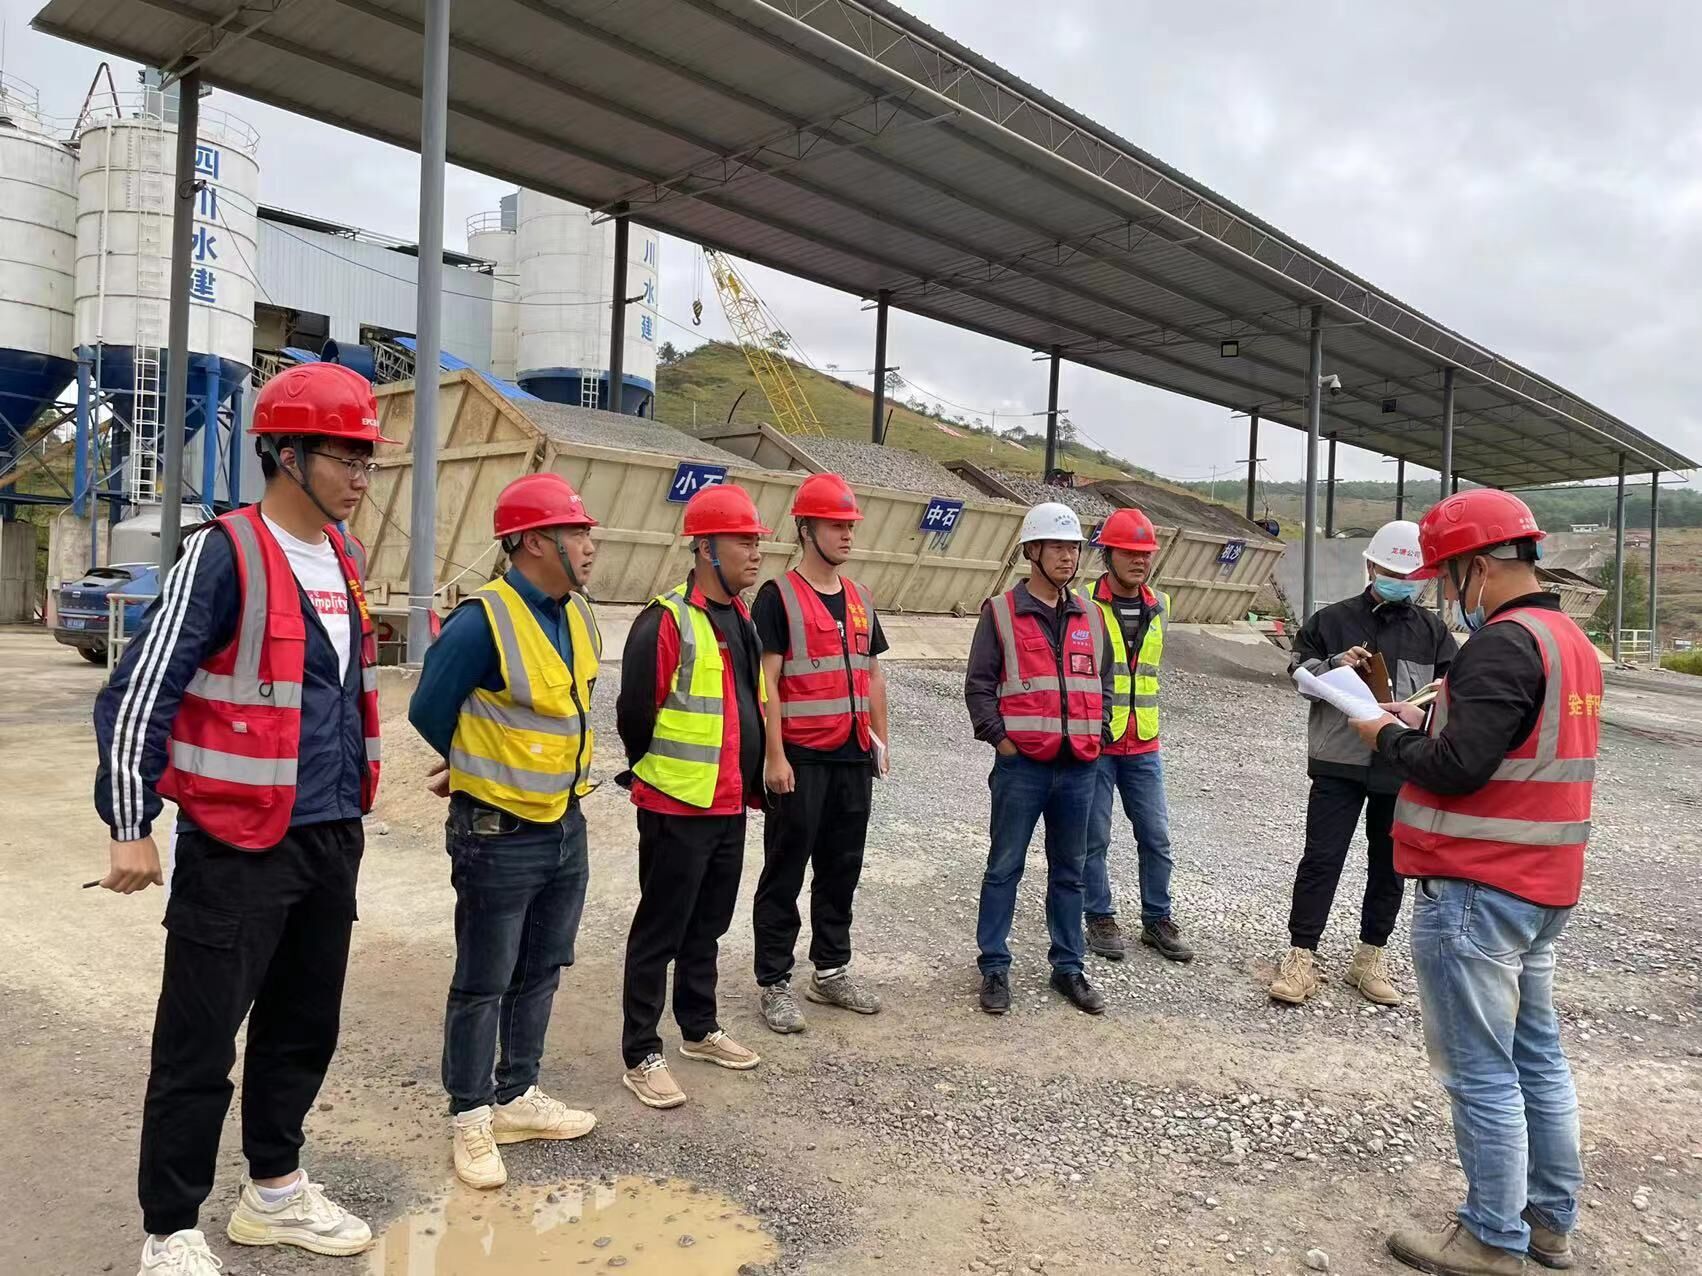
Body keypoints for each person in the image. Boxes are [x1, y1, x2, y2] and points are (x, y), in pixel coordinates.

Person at [92, 363, 391, 1275]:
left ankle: (274, 1190)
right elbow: (139, 691)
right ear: (286, 454)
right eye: (345, 456)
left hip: (329, 832)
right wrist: (132, 821)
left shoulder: (343, 559)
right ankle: (170, 1228)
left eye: (368, 459)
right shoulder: (224, 553)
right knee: (198, 1040)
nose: (361, 476)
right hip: (237, 843)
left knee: (303, 1024)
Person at [1350, 491, 1598, 1276]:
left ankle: (1492, 1237)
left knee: (1481, 1069)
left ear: (1479, 567)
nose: (1443, 592)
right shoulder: (1568, 641)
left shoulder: (1501, 644)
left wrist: (1383, 734)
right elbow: (1509, 744)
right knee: (1537, 1058)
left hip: (1478, 888)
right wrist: (1423, 721)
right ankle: (1548, 1221)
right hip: (1541, 885)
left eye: (1448, 575)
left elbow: (1459, 768)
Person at [408, 472, 602, 1189]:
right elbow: (429, 708)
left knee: (542, 968)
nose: (589, 544)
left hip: (564, 823)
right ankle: (470, 1114)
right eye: (576, 531)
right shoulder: (481, 621)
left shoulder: (577, 614)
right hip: (496, 833)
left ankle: (517, 1094)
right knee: (483, 981)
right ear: (532, 541)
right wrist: (470, 762)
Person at [615, 483, 769, 1108]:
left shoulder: (743, 618)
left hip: (729, 803)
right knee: (660, 929)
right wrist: (661, 774)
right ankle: (641, 1052)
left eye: (757, 541)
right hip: (677, 806)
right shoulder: (665, 620)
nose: (755, 552)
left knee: (709, 924)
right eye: (743, 541)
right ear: (705, 548)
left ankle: (699, 1027)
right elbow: (635, 715)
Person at [1269, 520, 1456, 1008]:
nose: (1401, 581)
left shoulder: (1434, 631)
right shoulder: (1331, 621)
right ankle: (1300, 956)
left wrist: (1428, 709)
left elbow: (1450, 693)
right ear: (1370, 566)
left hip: (1402, 762)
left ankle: (1370, 958)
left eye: (1410, 575)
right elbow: (1298, 672)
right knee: (1321, 858)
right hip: (1339, 760)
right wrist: (1335, 665)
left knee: (1389, 866)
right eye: (1392, 571)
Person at [750, 473, 891, 1033]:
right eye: (836, 525)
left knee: (841, 868)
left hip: (852, 756)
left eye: (850, 525)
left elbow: (873, 674)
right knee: (785, 870)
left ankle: (830, 970)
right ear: (806, 529)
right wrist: (774, 757)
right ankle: (774, 981)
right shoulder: (777, 596)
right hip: (801, 758)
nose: (847, 534)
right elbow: (767, 682)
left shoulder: (860, 598)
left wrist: (881, 740)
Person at [965, 501, 1114, 1017]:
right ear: (1032, 551)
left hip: (1079, 768)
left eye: (1073, 547)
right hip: (1022, 768)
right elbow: (979, 686)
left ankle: (1068, 967)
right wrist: (1001, 741)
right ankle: (994, 967)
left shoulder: (1091, 615)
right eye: (1057, 546)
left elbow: (1105, 682)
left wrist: (1098, 731)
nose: (1068, 556)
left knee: (1071, 871)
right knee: (1003, 867)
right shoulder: (1001, 612)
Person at [1077, 506, 1192, 964]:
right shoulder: (1082, 603)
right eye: (1129, 552)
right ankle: (1099, 916)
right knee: (1094, 836)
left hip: (1143, 741)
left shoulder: (1160, 605)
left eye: (1145, 553)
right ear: (1107, 554)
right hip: (1097, 740)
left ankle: (1157, 918)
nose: (1139, 560)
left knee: (1156, 836)